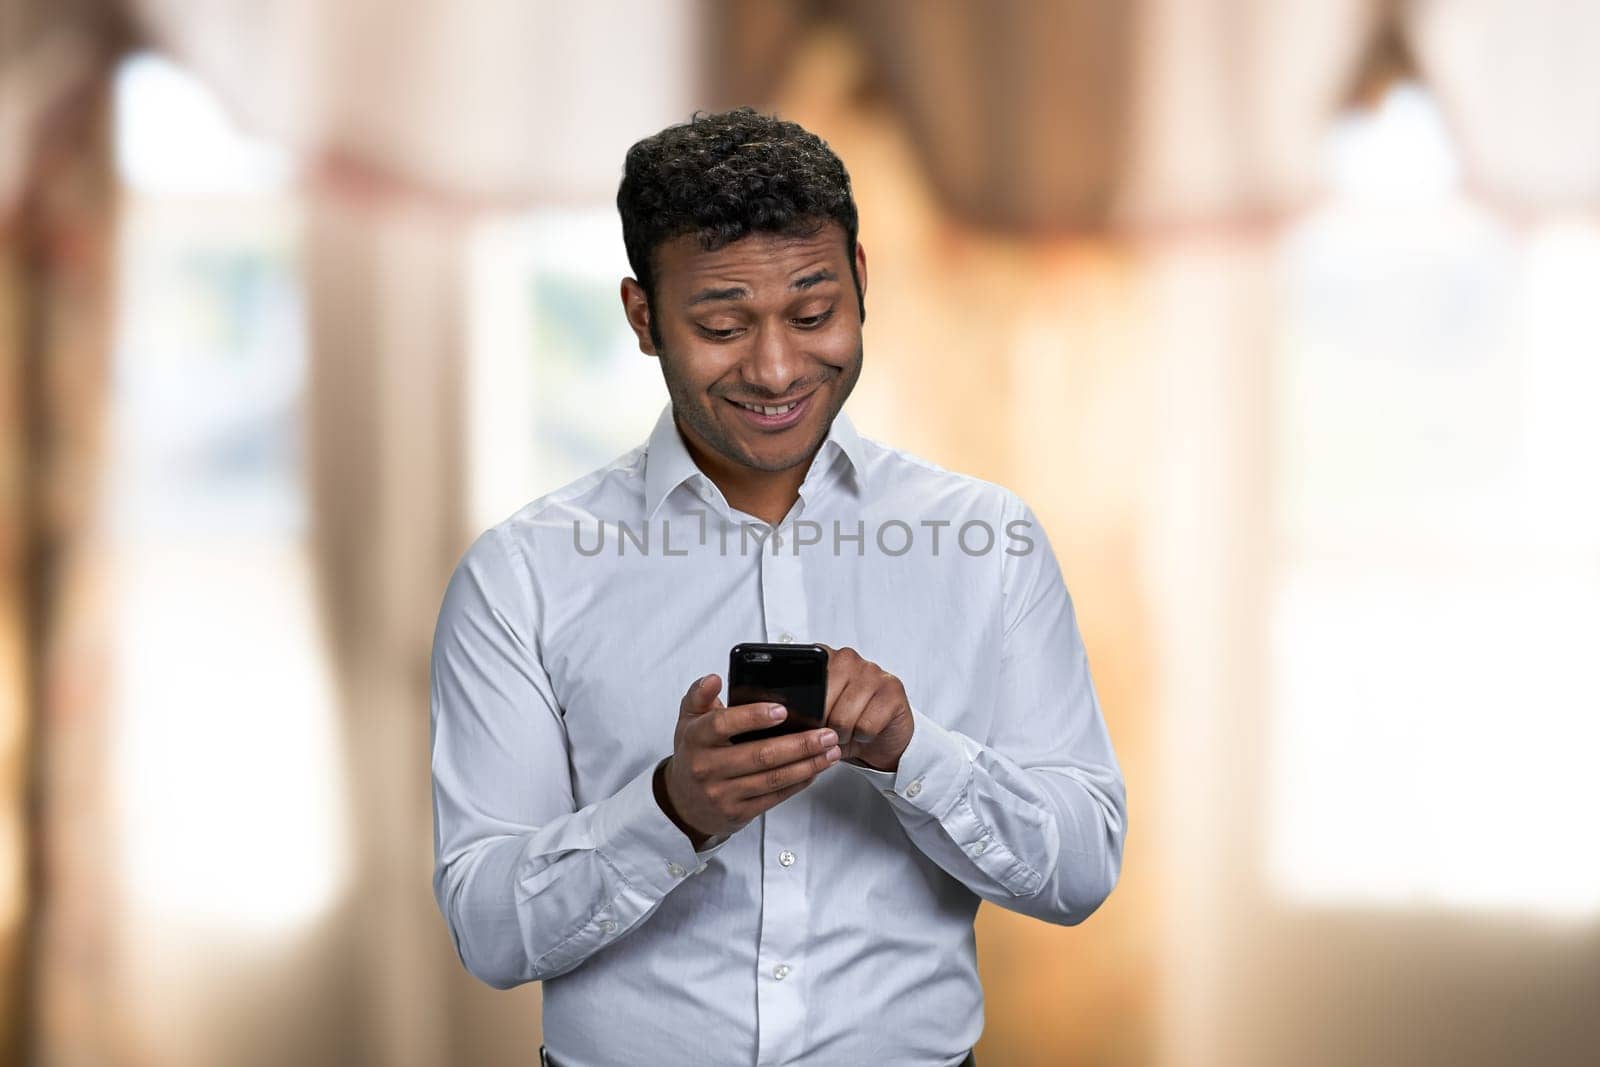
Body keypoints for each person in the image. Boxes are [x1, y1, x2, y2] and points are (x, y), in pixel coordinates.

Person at [429, 107, 1126, 1067]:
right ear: (643, 318)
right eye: (721, 324)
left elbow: (1082, 868)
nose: (776, 366)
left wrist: (913, 753)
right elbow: (489, 931)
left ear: (861, 284)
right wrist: (674, 810)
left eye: (812, 313)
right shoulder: (522, 576)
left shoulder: (989, 543)